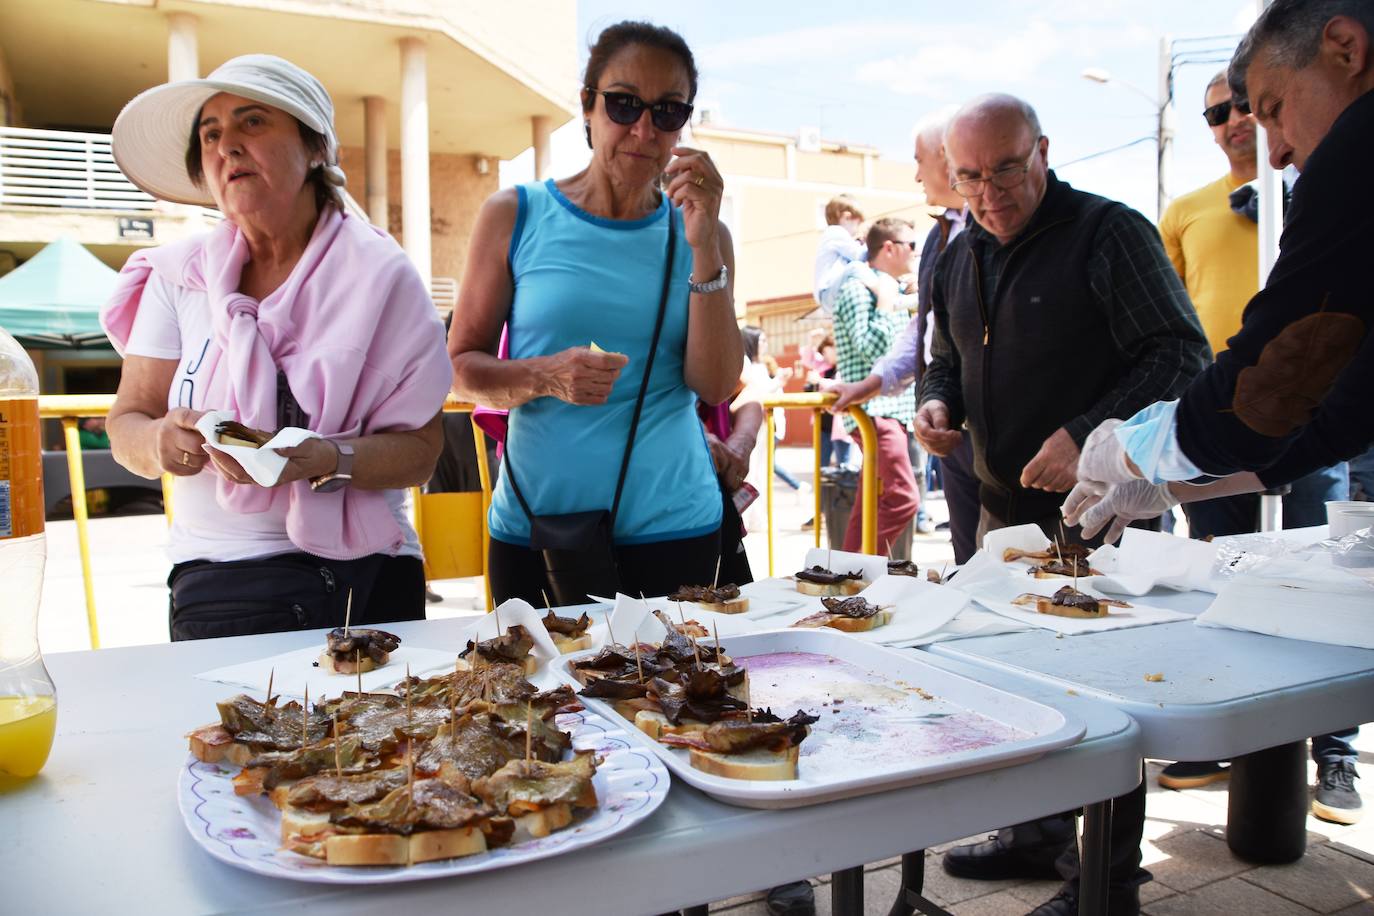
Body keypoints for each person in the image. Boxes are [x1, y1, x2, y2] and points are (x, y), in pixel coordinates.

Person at [1068, 0, 1374, 828]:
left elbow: (1268, 386)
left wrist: (1135, 445)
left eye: (1274, 106)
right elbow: (1338, 415)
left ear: (1345, 49)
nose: (1272, 147)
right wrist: (1179, 489)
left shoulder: (1359, 150)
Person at [919, 94, 1211, 916]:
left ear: (1042, 151)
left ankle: (1107, 885)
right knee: (1012, 678)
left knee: (1110, 697)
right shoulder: (957, 251)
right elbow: (946, 358)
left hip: (1101, 512)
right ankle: (1035, 833)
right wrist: (940, 408)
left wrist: (1087, 431)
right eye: (969, 176)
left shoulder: (1109, 232)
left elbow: (1180, 353)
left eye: (1006, 169)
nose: (989, 193)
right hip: (997, 511)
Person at [100, 55, 452, 640]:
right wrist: (162, 441)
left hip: (362, 577)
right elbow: (126, 421)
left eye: (253, 122)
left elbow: (421, 451)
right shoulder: (176, 277)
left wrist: (330, 459)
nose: (227, 146)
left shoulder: (382, 277)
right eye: (211, 134)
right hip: (220, 581)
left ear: (315, 147)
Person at [447, 22, 743, 604]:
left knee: (691, 696)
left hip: (677, 528)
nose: (643, 128)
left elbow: (713, 385)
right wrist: (544, 374)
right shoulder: (515, 214)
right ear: (587, 105)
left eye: (667, 112)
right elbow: (460, 367)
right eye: (624, 103)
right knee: (535, 696)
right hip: (542, 532)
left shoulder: (703, 233)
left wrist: (705, 245)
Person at [1153, 68, 1361, 814]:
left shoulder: (1328, 184)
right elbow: (1176, 329)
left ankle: (1336, 751)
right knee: (1222, 579)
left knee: (1320, 581)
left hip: (1309, 418)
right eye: (1219, 112)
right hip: (1220, 428)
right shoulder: (1186, 211)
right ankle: (1224, 731)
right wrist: (1167, 452)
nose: (1240, 124)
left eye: (1255, 104)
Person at [829, 107, 978, 560]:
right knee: (969, 553)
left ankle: (853, 571)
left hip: (986, 423)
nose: (916, 176)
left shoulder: (984, 229)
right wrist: (875, 382)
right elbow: (926, 328)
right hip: (939, 418)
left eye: (918, 161)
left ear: (946, 156)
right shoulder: (940, 238)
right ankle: (853, 574)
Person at [831, 218, 922, 554]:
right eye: (911, 245)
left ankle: (848, 573)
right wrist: (885, 305)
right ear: (889, 248)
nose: (916, 252)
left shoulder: (892, 288)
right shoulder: (859, 287)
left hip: (886, 412)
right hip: (873, 411)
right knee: (902, 497)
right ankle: (862, 571)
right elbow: (870, 349)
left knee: (870, 501)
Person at [813, 194, 866, 312]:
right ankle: (882, 294)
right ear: (846, 217)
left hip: (829, 294)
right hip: (829, 290)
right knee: (856, 268)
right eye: (858, 224)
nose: (858, 229)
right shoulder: (835, 231)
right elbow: (858, 255)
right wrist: (872, 242)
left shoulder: (834, 236)